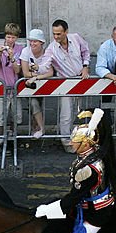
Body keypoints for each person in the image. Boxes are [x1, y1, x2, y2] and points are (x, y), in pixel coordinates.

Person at [29, 20, 90, 151]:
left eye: (59, 34)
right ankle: (67, 143)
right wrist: (37, 67)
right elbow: (45, 64)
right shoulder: (51, 48)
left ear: (66, 32)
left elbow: (86, 51)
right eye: (54, 34)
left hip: (80, 81)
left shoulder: (76, 38)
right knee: (66, 114)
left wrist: (85, 67)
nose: (56, 37)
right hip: (65, 84)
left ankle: (75, 138)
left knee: (77, 112)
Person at [0, 23, 25, 143]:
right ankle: (1, 139)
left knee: (17, 115)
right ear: (5, 36)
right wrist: (0, 55)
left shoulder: (20, 49)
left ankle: (14, 138)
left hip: (15, 87)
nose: (10, 40)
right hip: (2, 87)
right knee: (0, 116)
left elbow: (17, 70)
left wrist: (12, 57)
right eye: (8, 37)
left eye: (13, 37)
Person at [19, 29, 50, 139]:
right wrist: (36, 75)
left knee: (38, 105)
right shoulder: (26, 51)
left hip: (43, 84)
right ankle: (41, 129)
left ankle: (35, 128)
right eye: (30, 41)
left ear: (42, 42)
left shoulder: (47, 53)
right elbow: (25, 73)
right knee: (34, 103)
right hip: (28, 85)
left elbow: (50, 72)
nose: (32, 44)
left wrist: (36, 77)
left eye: (35, 41)